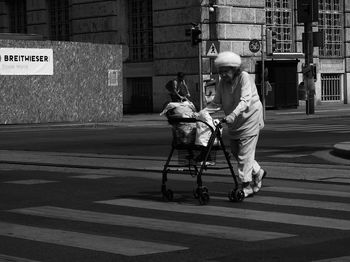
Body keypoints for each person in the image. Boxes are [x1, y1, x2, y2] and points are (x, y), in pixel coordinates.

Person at [205, 51, 266, 197]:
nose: (222, 75)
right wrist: (202, 113)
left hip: (250, 117)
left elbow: (245, 100)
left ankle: (246, 186)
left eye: (225, 72)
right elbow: (216, 103)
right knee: (235, 151)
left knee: (245, 154)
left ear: (234, 69)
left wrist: (232, 114)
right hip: (234, 120)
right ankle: (258, 171)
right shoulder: (222, 83)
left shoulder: (244, 77)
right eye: (220, 72)